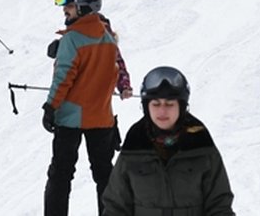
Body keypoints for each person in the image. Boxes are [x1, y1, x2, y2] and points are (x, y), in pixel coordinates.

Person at [101, 66, 235, 216]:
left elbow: (219, 205)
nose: (162, 111)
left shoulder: (200, 143)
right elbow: (116, 207)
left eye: (170, 104)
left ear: (181, 106)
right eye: (156, 104)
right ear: (146, 107)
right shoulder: (135, 145)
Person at [42, 0, 122, 216]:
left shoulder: (73, 39)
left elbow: (64, 78)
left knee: (60, 174)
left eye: (69, 6)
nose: (64, 10)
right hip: (102, 118)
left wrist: (50, 107)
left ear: (84, 7)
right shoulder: (108, 38)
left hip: (71, 118)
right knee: (104, 173)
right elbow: (110, 75)